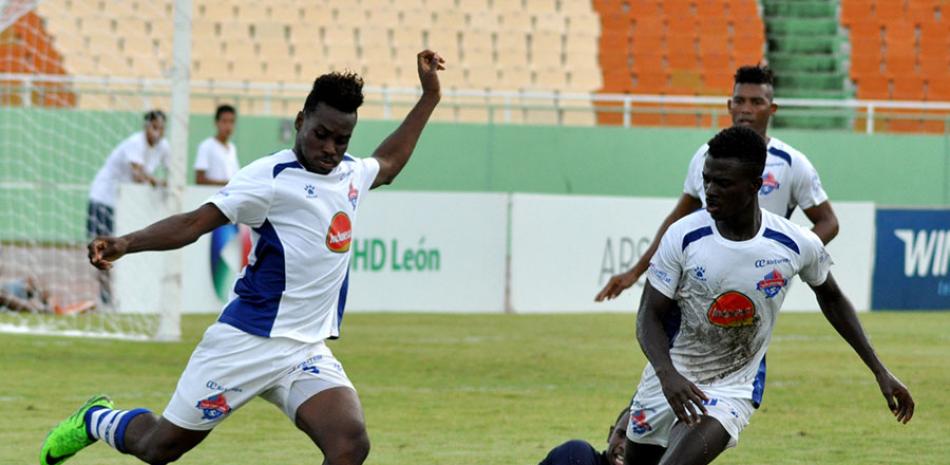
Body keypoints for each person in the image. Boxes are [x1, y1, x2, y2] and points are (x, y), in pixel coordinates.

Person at [39, 50, 445, 465]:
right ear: (301, 121)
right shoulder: (268, 179)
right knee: (159, 447)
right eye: (321, 134)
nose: (330, 148)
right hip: (246, 342)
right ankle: (96, 419)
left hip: (304, 351)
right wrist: (127, 243)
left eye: (341, 140)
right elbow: (195, 223)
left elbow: (390, 163)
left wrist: (429, 95)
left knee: (349, 445)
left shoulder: (350, 173)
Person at [624, 126, 913, 465]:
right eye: (707, 180)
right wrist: (666, 374)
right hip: (667, 380)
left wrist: (880, 370)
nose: (711, 191)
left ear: (755, 186)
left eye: (724, 183)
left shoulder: (794, 243)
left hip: (731, 388)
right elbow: (649, 316)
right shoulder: (683, 237)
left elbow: (832, 298)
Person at [596, 65, 839, 303]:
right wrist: (636, 271)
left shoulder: (792, 163)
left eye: (756, 102)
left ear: (771, 109)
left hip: (756, 280)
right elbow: (677, 221)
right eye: (739, 101)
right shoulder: (706, 156)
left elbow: (828, 222)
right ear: (729, 105)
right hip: (700, 276)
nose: (746, 109)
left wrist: (792, 255)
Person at [87, 110, 170, 307]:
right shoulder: (135, 143)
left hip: (125, 205)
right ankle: (106, 298)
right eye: (154, 128)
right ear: (146, 127)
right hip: (103, 200)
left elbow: (173, 170)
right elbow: (137, 175)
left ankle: (127, 296)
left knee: (127, 247)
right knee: (103, 250)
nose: (158, 133)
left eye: (161, 129)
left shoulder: (164, 147)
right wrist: (159, 182)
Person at [539, 408, 629, 465]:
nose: (623, 446)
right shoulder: (579, 453)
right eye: (621, 435)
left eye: (632, 443)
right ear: (610, 434)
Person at [194, 104, 239, 186]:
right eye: (224, 121)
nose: (228, 126)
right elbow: (199, 180)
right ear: (216, 123)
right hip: (212, 196)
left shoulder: (232, 148)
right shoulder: (206, 146)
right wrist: (226, 184)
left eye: (231, 121)